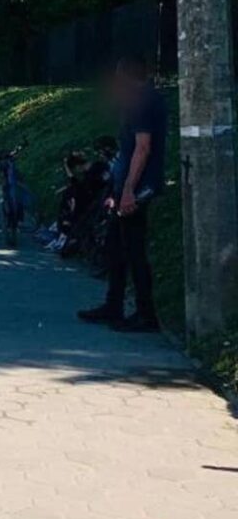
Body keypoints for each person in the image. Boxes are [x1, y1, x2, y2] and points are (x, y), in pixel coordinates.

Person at [78, 56, 167, 332]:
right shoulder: (146, 99)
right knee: (116, 247)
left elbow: (142, 148)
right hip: (126, 186)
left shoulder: (141, 102)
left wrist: (128, 190)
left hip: (138, 188)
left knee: (134, 250)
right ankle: (114, 304)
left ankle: (145, 314)